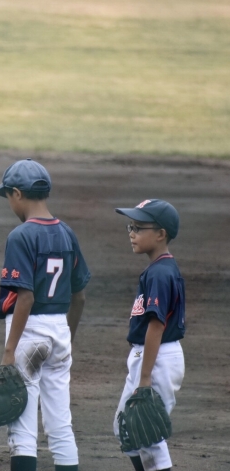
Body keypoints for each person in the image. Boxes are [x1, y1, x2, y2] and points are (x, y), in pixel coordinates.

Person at [0, 158, 90, 471]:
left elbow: (25, 297)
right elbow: (79, 296)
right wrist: (67, 337)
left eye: (8, 196)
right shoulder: (67, 233)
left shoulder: (21, 235)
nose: (9, 203)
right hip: (59, 329)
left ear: (18, 194)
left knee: (22, 427)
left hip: (29, 333)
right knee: (60, 424)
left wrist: (9, 351)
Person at [113, 199, 185, 471]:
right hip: (152, 356)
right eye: (130, 227)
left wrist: (145, 377)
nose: (132, 233)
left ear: (160, 234)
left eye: (139, 227)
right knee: (125, 427)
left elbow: (156, 326)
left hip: (157, 358)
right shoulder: (158, 269)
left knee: (146, 433)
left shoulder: (160, 273)